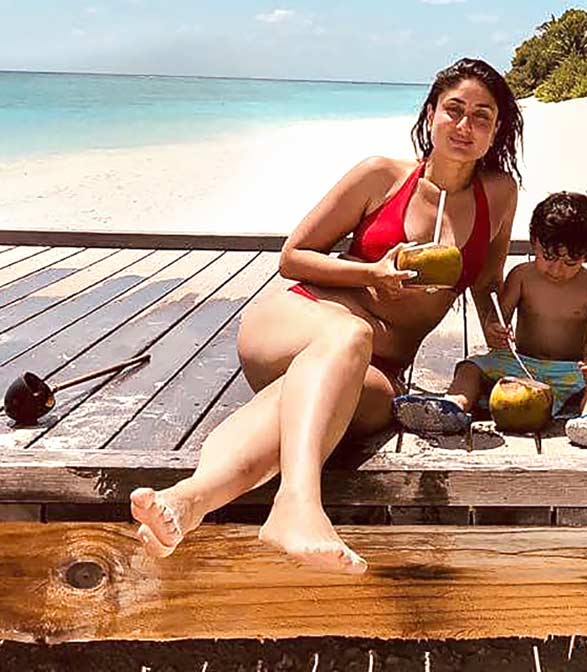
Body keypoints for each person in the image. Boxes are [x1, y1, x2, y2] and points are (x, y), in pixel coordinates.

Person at [129, 58, 521, 573]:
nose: (465, 126)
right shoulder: (380, 176)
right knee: (350, 333)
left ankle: (188, 500)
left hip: (379, 369)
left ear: (495, 133)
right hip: (301, 318)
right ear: (430, 116)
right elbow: (293, 256)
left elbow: (488, 279)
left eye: (481, 117)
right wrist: (371, 274)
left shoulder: (500, 195)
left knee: (303, 401)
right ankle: (298, 505)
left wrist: (495, 321)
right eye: (454, 110)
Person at [395, 191, 587, 453]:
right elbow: (498, 316)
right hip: (519, 363)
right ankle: (453, 406)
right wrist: (494, 329)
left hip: (568, 369)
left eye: (570, 262)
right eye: (549, 257)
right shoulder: (522, 276)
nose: (557, 269)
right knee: (470, 366)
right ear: (534, 242)